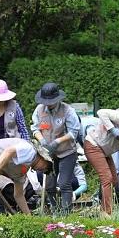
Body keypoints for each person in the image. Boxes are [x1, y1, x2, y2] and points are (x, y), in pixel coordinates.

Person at [31, 82, 80, 213]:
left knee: (64, 183)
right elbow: (35, 128)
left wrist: (57, 141)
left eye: (51, 101)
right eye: (46, 101)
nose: (48, 103)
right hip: (48, 153)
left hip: (67, 152)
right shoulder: (39, 110)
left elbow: (73, 132)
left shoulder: (68, 110)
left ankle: (66, 213)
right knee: (50, 185)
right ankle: (55, 210)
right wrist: (41, 140)